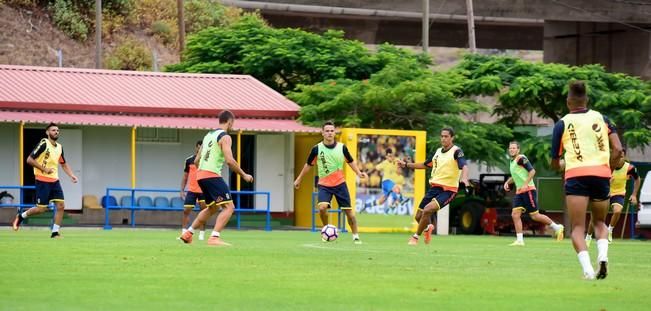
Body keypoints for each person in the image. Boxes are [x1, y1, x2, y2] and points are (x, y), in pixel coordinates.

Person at [551, 81, 623, 280]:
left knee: (578, 228)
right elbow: (618, 149)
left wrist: (563, 165)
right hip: (601, 175)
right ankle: (603, 257)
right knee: (600, 222)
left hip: (577, 176)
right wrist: (608, 166)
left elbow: (555, 162)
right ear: (587, 100)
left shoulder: (562, 123)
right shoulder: (602, 118)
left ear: (568, 102)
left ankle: (588, 271)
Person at [179, 110, 254, 246]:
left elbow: (196, 160)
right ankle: (214, 237)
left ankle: (188, 233)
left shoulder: (208, 135)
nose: (232, 126)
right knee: (229, 207)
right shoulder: (225, 137)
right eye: (233, 124)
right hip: (211, 174)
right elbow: (230, 161)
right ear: (230, 122)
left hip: (200, 175)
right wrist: (244, 175)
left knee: (212, 208)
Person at [294, 121, 368, 244]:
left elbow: (350, 161)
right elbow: (308, 165)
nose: (329, 133)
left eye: (332, 131)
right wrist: (299, 179)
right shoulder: (317, 149)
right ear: (323, 133)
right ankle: (327, 229)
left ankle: (355, 235)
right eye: (327, 131)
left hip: (340, 184)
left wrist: (359, 173)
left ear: (335, 133)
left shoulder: (342, 147)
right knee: (322, 208)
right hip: (324, 185)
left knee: (349, 213)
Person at [398, 127, 469, 245]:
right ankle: (428, 228)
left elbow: (464, 166)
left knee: (427, 210)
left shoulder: (457, 151)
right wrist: (406, 165)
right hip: (434, 188)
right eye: (442, 136)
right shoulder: (438, 152)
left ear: (452, 138)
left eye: (446, 136)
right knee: (418, 217)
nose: (443, 139)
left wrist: (465, 178)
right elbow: (425, 164)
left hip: (448, 190)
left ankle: (415, 238)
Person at [12, 123, 78, 238]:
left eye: (57, 130)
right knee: (41, 209)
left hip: (55, 180)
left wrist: (71, 175)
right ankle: (21, 216)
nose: (56, 132)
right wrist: (44, 169)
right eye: (53, 130)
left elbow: (63, 164)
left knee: (61, 206)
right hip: (42, 180)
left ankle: (55, 232)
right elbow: (29, 159)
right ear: (47, 132)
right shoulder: (44, 143)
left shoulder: (59, 147)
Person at [504, 141, 564, 246]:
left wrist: (525, 184)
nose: (512, 150)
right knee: (515, 214)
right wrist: (507, 182)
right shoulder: (512, 161)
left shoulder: (521, 158)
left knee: (535, 216)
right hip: (519, 192)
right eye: (510, 148)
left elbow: (532, 171)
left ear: (518, 150)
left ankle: (557, 227)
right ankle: (520, 240)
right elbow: (516, 176)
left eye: (514, 148)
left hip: (528, 190)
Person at [585, 150, 641, 245]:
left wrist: (634, 194)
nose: (619, 159)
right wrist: (607, 182)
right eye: (617, 157)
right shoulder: (606, 166)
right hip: (604, 192)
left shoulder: (630, 168)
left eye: (621, 157)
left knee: (617, 211)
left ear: (624, 157)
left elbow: (637, 179)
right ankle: (588, 236)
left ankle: (610, 230)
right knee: (595, 217)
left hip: (618, 193)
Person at [180, 140, 208, 240]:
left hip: (203, 190)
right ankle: (183, 233)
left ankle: (201, 234)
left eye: (202, 147)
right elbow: (185, 176)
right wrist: (182, 190)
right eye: (199, 147)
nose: (200, 149)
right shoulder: (189, 160)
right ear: (196, 147)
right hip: (191, 190)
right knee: (186, 211)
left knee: (204, 211)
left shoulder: (207, 160)